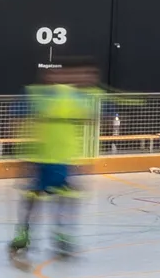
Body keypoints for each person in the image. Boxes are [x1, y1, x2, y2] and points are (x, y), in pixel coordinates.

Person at [9, 63, 104, 262]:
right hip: (41, 158)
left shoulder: (67, 96)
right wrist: (20, 156)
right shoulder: (36, 95)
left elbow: (91, 116)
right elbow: (17, 119)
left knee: (61, 198)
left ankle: (59, 235)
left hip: (61, 159)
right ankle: (26, 234)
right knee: (34, 198)